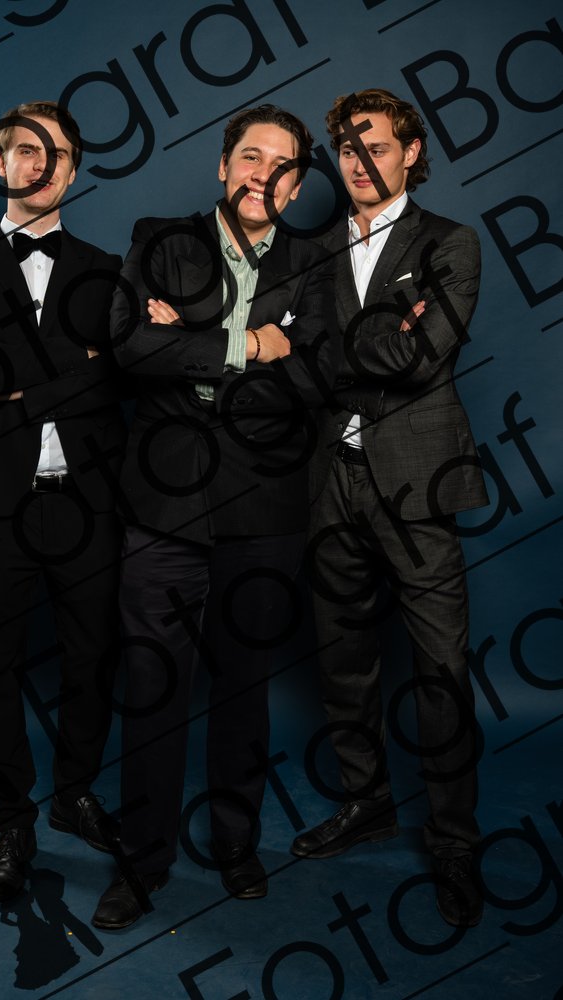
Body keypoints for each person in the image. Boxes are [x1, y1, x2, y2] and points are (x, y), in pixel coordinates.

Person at [93, 104, 337, 929]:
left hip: (264, 508)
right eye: (250, 157)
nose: (263, 175)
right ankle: (143, 860)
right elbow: (130, 348)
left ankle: (235, 844)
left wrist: (189, 341)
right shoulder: (160, 240)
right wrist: (250, 343)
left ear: (295, 186)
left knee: (244, 684)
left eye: (281, 165)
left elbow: (317, 379)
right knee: (152, 685)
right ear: (223, 167)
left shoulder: (314, 261)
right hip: (161, 505)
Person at [291, 88, 489, 928]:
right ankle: (365, 801)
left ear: (409, 152)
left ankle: (454, 843)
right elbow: (289, 367)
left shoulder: (451, 243)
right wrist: (375, 339)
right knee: (343, 659)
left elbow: (419, 359)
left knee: (439, 672)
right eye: (346, 149)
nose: (359, 162)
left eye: (374, 145)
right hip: (326, 479)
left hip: (414, 480)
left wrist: (324, 348)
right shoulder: (310, 250)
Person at [0, 101, 125, 903]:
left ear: (73, 171)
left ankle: (74, 792)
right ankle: (13, 819)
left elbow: (120, 379)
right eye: (26, 150)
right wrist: (81, 358)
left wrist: (28, 374)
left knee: (92, 656)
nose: (41, 165)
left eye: (58, 154)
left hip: (86, 498)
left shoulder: (108, 268)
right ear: (1, 163)